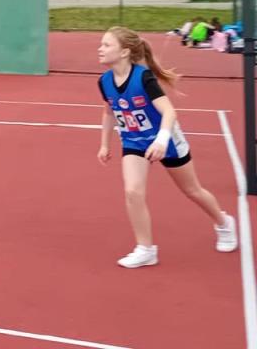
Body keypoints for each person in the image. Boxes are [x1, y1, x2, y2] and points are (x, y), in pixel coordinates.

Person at [95, 26, 237, 268]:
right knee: (133, 192)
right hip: (133, 141)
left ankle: (223, 223)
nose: (100, 49)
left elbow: (169, 112)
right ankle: (146, 249)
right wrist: (104, 144)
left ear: (124, 52)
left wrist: (161, 140)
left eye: (107, 45)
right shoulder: (104, 81)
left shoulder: (144, 78)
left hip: (166, 140)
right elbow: (109, 112)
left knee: (192, 190)